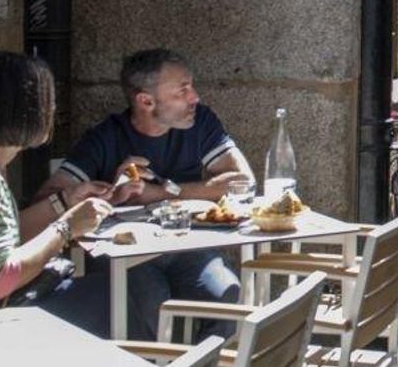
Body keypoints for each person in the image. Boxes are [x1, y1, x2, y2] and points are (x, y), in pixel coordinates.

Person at [35, 48, 253, 340]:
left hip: (189, 248)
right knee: (150, 308)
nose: (195, 98)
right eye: (182, 90)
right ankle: (157, 360)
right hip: (130, 254)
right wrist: (109, 195)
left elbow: (243, 181)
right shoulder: (105, 138)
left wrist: (162, 193)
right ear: (146, 101)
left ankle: (206, 359)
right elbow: (45, 199)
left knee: (228, 293)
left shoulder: (200, 121)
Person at [0, 52, 118, 336]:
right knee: (118, 296)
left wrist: (64, 202)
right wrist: (66, 228)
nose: (53, 109)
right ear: (29, 110)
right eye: (48, 100)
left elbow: (0, 239)